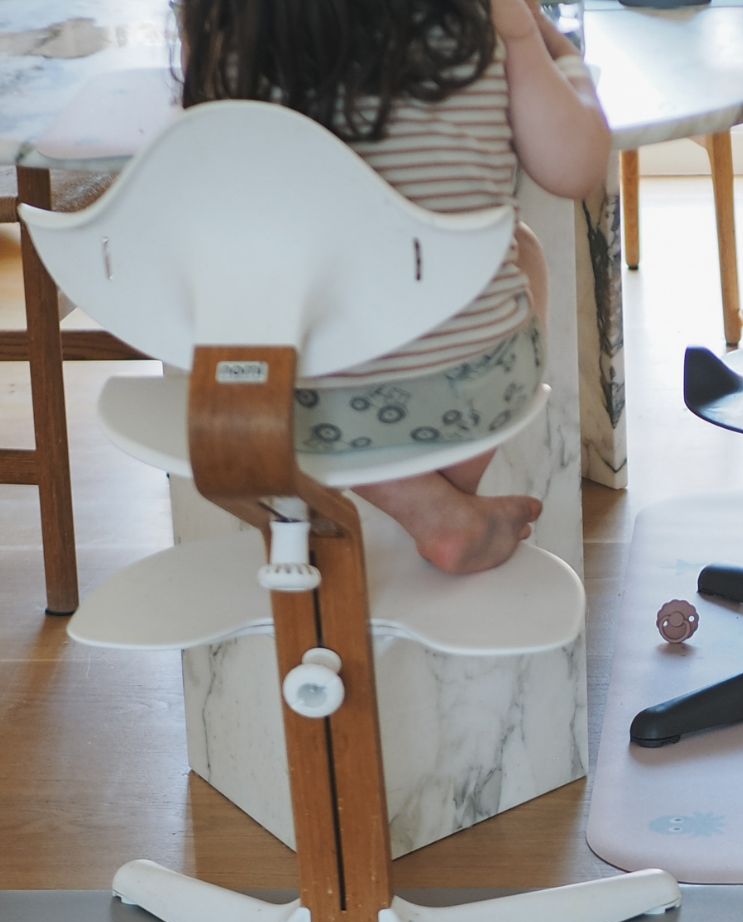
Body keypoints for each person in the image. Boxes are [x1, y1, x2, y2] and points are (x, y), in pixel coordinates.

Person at [177, 0, 610, 573]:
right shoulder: (474, 36)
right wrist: (540, 42)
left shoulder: (232, 41)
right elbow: (576, 169)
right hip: (472, 394)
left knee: (276, 290)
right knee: (521, 247)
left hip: (271, 405)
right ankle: (446, 493)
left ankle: (425, 503)